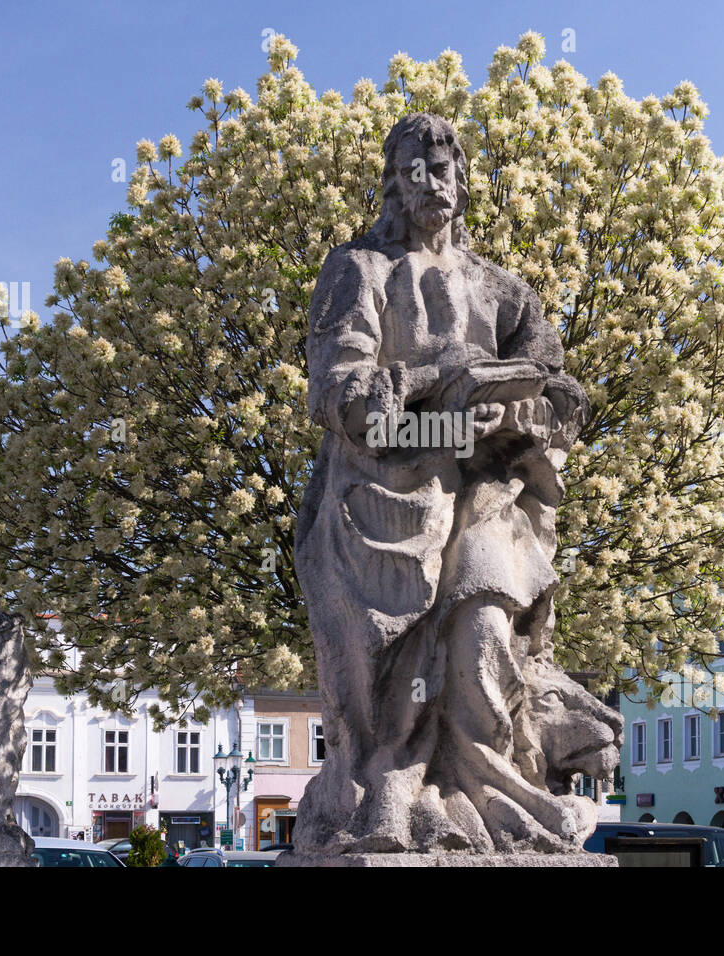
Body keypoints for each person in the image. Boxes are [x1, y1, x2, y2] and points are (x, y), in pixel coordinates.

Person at [293, 113, 622, 856]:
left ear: (463, 183)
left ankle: (481, 790)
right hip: (379, 505)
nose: (432, 179)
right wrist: (436, 386)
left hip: (483, 499)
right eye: (415, 166)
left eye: (444, 167)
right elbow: (337, 394)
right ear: (393, 183)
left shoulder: (503, 291)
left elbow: (563, 398)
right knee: (386, 699)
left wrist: (528, 411)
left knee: (482, 634)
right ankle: (395, 792)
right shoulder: (359, 272)